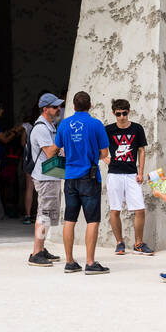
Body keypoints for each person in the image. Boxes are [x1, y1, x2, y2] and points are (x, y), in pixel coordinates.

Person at [42, 90, 110, 274]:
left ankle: (70, 262)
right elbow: (104, 154)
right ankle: (90, 262)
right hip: (89, 177)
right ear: (90, 106)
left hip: (70, 177)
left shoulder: (64, 124)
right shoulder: (96, 124)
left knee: (69, 220)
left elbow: (54, 149)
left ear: (73, 106)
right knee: (92, 221)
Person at [105, 99, 153, 255]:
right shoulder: (108, 130)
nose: (121, 117)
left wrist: (140, 172)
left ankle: (138, 243)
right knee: (115, 209)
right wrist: (104, 158)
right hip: (114, 174)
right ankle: (120, 243)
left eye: (124, 113)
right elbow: (99, 147)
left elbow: (141, 150)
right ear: (114, 113)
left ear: (128, 112)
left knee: (139, 209)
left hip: (132, 173)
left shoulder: (137, 128)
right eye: (118, 114)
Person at [27, 93, 65, 268]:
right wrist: (62, 138)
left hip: (51, 175)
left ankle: (41, 249)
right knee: (44, 214)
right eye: (55, 106)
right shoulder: (41, 128)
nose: (58, 109)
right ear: (45, 109)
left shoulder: (50, 125)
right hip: (45, 177)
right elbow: (50, 152)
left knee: (48, 215)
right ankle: (36, 253)